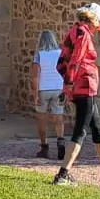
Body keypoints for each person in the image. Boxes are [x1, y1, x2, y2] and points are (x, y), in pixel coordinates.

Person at [52, 3, 100, 186]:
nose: (97, 28)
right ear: (93, 19)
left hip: (80, 86)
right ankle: (63, 174)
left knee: (98, 125)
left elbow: (63, 61)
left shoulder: (75, 32)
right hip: (84, 86)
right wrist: (69, 85)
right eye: (97, 23)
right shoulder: (84, 35)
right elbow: (76, 61)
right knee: (80, 130)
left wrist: (68, 86)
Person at [31, 30, 67, 159]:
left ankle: (44, 146)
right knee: (58, 118)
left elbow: (35, 76)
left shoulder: (39, 55)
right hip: (58, 88)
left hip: (43, 89)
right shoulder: (61, 54)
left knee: (42, 118)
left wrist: (35, 95)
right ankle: (60, 143)